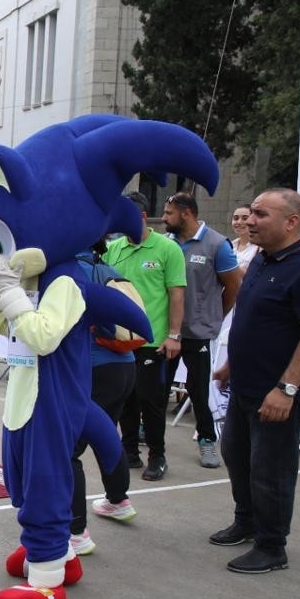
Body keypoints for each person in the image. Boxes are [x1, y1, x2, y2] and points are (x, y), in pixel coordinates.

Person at [211, 188, 300, 574]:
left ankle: (271, 545)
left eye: (260, 214)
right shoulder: (263, 260)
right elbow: (250, 318)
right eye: (250, 214)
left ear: (291, 221)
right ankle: (246, 521)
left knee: (271, 471)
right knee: (237, 456)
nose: (249, 220)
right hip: (246, 387)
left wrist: (287, 389)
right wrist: (230, 365)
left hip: (280, 394)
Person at [103, 191, 186, 481]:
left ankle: (157, 455)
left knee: (151, 401)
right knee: (124, 398)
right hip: (120, 341)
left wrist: (174, 335)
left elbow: (177, 295)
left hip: (153, 342)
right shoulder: (113, 249)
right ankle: (129, 452)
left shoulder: (167, 249)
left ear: (139, 216)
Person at [161, 191, 241, 468]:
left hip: (198, 331)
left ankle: (207, 439)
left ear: (187, 213)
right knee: (157, 386)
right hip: (166, 331)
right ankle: (151, 430)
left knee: (197, 388)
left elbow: (233, 287)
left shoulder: (218, 244)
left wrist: (213, 317)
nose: (165, 217)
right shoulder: (165, 244)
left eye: (169, 213)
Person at [72, 239, 141, 554]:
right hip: (124, 367)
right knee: (105, 435)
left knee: (68, 450)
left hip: (95, 369)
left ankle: (75, 530)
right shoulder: (107, 268)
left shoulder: (73, 272)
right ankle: (118, 500)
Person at [230, 205, 259, 272]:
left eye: (245, 218)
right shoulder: (230, 245)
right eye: (236, 218)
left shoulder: (259, 248)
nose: (239, 222)